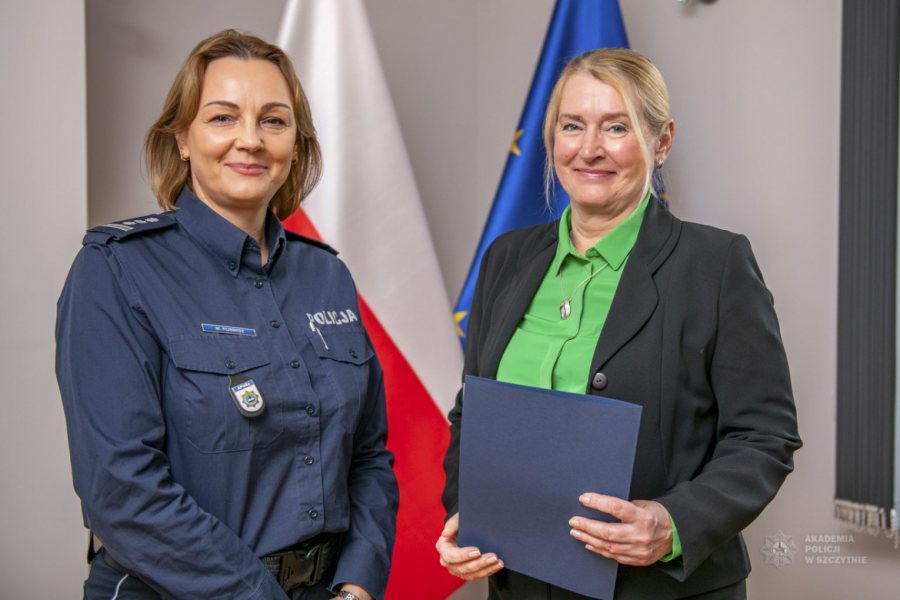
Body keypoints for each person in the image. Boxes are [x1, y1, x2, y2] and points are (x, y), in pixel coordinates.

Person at [437, 48, 801, 599]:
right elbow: (475, 411)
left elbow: (764, 436)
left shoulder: (715, 265)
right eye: (572, 126)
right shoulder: (506, 258)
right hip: (521, 584)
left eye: (616, 127)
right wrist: (466, 512)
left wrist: (674, 523)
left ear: (662, 140)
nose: (589, 149)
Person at [56, 29, 397, 600]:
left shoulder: (327, 276)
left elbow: (368, 456)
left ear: (296, 144)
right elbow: (121, 492)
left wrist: (358, 584)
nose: (251, 140)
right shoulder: (115, 270)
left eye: (273, 120)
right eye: (222, 117)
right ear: (182, 139)